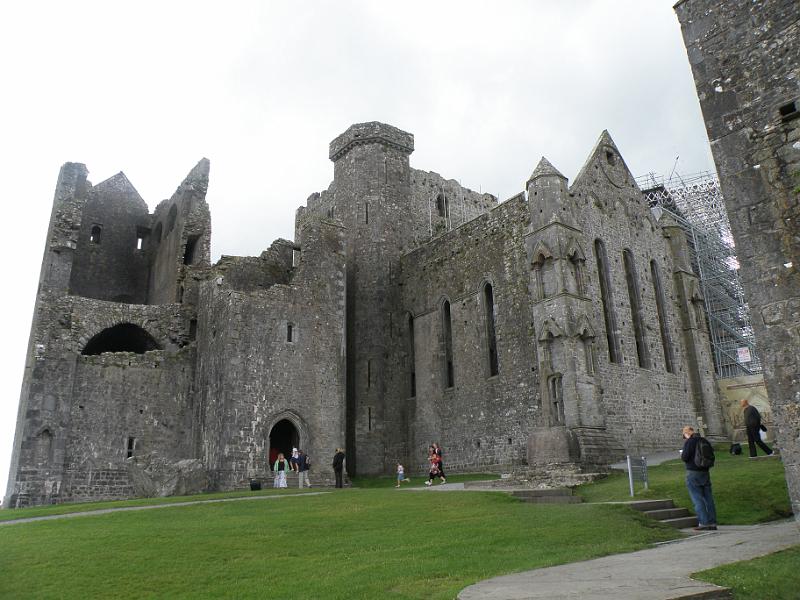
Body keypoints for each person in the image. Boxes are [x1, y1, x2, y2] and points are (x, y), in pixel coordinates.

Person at [681, 426, 718, 531]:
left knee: (697, 498)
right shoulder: (704, 440)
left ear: (687, 433)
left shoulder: (690, 442)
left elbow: (685, 457)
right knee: (708, 498)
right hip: (705, 471)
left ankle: (704, 523)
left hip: (693, 472)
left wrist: (682, 453)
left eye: (684, 435)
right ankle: (712, 522)